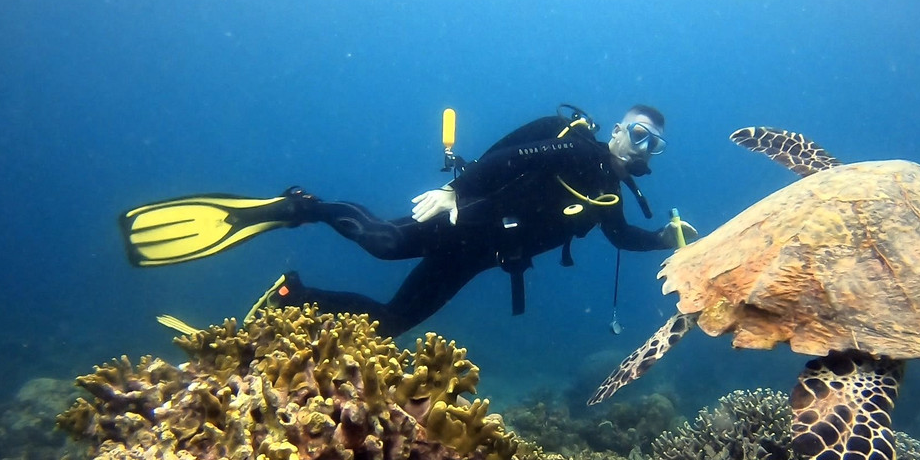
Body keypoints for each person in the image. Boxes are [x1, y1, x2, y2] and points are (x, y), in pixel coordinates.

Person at [120, 104, 696, 336]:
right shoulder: (578, 149)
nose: (641, 147)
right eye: (637, 133)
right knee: (383, 243)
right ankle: (301, 207)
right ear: (618, 130)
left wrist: (669, 240)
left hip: (480, 256)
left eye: (654, 145)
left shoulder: (610, 197)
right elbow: (510, 159)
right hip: (465, 218)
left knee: (391, 323)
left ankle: (292, 296)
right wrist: (453, 192)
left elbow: (621, 236)